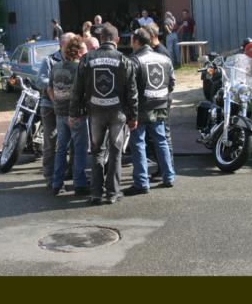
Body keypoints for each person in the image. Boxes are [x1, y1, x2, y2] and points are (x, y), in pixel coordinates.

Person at [70, 23, 138, 205]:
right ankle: (112, 193)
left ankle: (96, 193)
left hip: (95, 112)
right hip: (118, 113)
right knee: (115, 152)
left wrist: (74, 113)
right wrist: (133, 116)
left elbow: (77, 89)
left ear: (100, 39)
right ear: (117, 40)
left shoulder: (87, 59)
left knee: (97, 152)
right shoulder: (124, 60)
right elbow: (132, 92)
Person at [125, 28, 175, 195]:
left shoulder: (134, 60)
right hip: (160, 105)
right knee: (161, 141)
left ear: (137, 42)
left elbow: (130, 90)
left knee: (138, 143)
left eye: (132, 41)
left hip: (141, 108)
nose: (131, 44)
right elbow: (172, 83)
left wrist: (131, 112)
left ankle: (141, 182)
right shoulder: (164, 59)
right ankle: (169, 176)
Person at [49, 36, 89, 196]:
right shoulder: (80, 68)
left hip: (60, 113)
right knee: (79, 149)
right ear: (78, 52)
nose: (86, 52)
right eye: (84, 49)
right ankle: (80, 184)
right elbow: (84, 92)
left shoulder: (56, 66)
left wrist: (56, 103)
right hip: (77, 115)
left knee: (61, 149)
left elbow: (49, 88)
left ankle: (56, 183)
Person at [36, 32, 75, 188]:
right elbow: (40, 81)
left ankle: (71, 171)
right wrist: (57, 83)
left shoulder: (75, 59)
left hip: (70, 107)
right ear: (62, 45)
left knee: (73, 141)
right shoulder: (49, 60)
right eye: (71, 44)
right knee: (51, 140)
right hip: (50, 106)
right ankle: (50, 175)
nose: (75, 46)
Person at [142, 23, 174, 177]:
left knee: (164, 135)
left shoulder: (161, 52)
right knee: (160, 135)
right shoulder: (157, 50)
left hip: (162, 99)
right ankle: (164, 168)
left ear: (152, 35)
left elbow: (169, 80)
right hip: (160, 98)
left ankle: (167, 168)